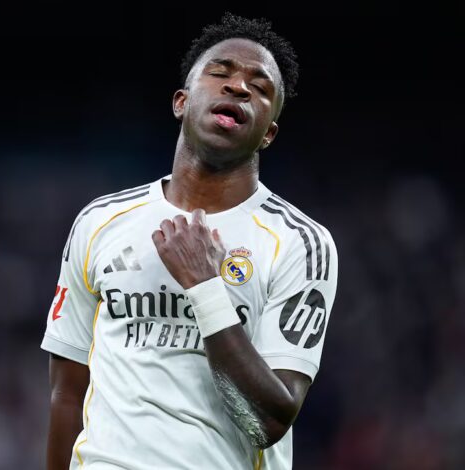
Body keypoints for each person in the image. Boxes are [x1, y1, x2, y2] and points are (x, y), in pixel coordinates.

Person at [42, 12, 337, 470]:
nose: (239, 87)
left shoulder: (300, 243)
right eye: (221, 73)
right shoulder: (100, 221)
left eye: (260, 87)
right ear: (181, 101)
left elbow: (269, 421)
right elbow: (67, 393)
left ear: (268, 134)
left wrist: (205, 287)